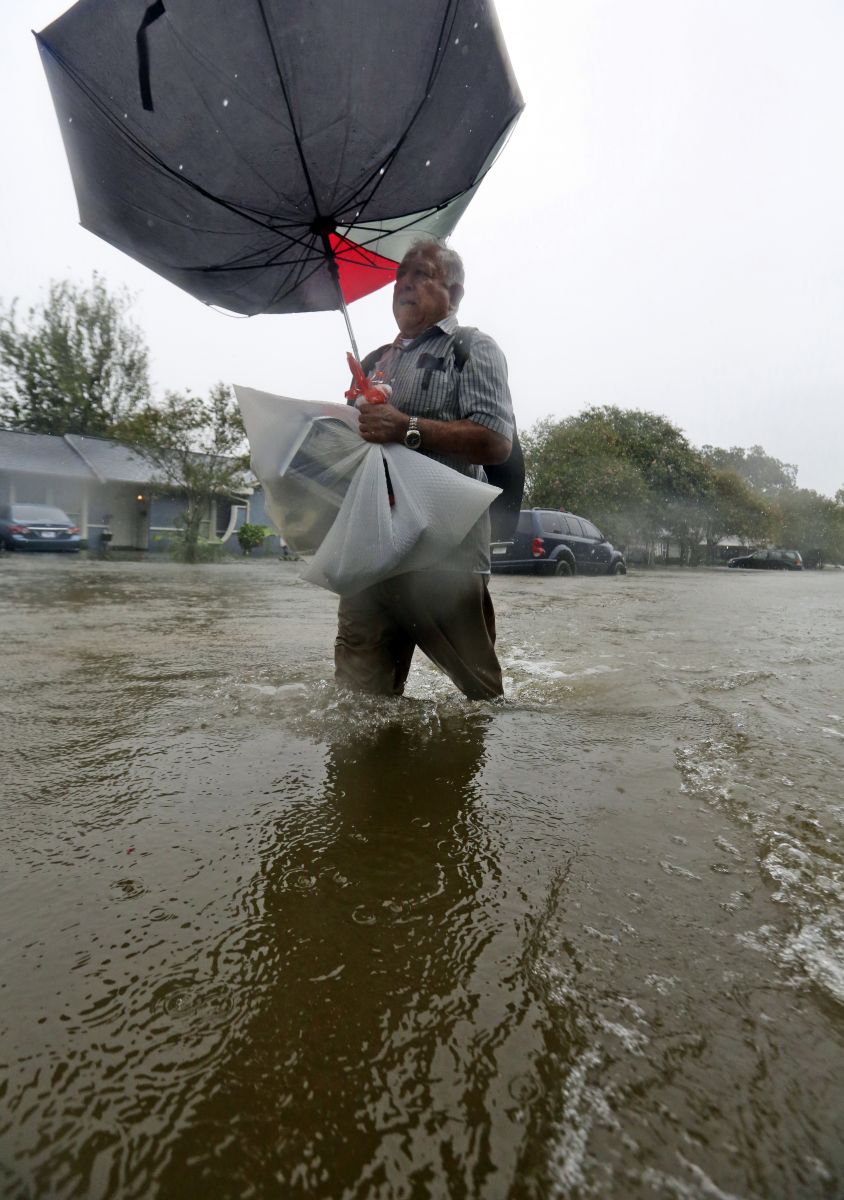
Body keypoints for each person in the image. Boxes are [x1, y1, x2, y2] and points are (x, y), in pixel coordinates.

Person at [334, 238, 514, 700]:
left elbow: (495, 442)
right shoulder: (372, 362)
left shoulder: (472, 349)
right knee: (359, 700)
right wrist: (350, 416)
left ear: (453, 294)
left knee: (480, 696)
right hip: (372, 546)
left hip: (445, 550)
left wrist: (405, 427)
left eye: (421, 275)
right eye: (400, 276)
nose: (405, 284)